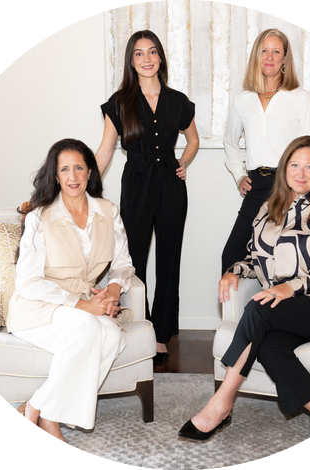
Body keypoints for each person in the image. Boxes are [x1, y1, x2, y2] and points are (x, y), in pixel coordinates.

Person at [179, 136, 310, 441]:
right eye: (294, 165)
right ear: (284, 168)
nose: (300, 173)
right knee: (269, 347)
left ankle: (221, 403)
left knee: (259, 308)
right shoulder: (267, 210)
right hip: (285, 309)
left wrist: (291, 287)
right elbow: (257, 260)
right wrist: (234, 271)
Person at [7, 138, 135, 441]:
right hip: (37, 306)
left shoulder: (108, 211)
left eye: (79, 167)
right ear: (55, 176)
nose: (73, 176)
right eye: (64, 169)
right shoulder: (40, 216)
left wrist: (113, 290)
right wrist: (82, 305)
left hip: (83, 303)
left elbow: (122, 263)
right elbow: (27, 282)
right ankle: (50, 420)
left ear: (90, 172)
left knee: (113, 334)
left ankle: (36, 407)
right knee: (88, 328)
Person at [96, 30, 199, 361]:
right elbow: (104, 151)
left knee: (169, 261)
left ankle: (161, 334)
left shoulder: (178, 101)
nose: (147, 58)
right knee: (133, 259)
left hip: (171, 186)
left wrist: (183, 162)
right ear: (131, 61)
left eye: (152, 51)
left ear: (160, 57)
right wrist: (83, 187)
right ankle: (138, 326)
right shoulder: (119, 103)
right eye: (139, 53)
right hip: (136, 185)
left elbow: (193, 140)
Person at [221, 29, 310, 274]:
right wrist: (238, 174)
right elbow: (230, 142)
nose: (269, 56)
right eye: (264, 50)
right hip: (258, 184)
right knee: (232, 255)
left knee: (287, 258)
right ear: (256, 56)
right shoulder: (243, 100)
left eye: (276, 51)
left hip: (291, 185)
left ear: (285, 58)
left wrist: (303, 187)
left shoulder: (300, 97)